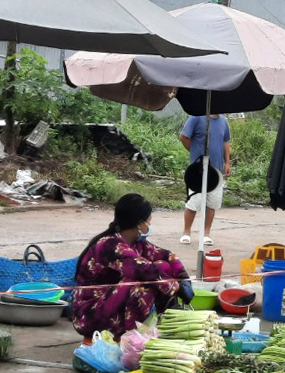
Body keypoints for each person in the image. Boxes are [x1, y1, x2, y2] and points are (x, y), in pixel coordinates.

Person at [73, 194, 192, 341]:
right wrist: (176, 287)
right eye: (149, 222)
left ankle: (168, 319)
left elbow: (167, 256)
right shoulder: (109, 245)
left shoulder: (136, 244)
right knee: (143, 285)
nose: (149, 226)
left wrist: (183, 277)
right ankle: (132, 339)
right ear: (139, 224)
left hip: (110, 305)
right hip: (90, 315)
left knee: (164, 267)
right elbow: (144, 271)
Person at [179, 113, 231, 247]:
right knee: (194, 201)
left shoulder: (223, 121)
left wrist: (227, 162)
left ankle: (206, 234)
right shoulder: (196, 117)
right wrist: (194, 151)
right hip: (198, 169)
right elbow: (183, 137)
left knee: (212, 203)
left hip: (216, 169)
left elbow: (226, 141)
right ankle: (186, 232)